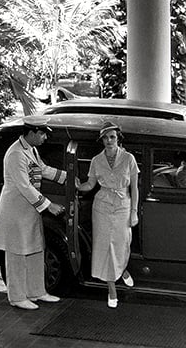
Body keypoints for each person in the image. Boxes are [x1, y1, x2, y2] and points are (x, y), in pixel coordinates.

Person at [0, 119, 67, 310]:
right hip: (15, 211)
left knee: (35, 250)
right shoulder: (16, 154)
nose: (45, 137)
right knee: (16, 253)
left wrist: (68, 177)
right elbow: (25, 186)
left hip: (30, 210)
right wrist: (49, 205)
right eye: (42, 134)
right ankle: (17, 296)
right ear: (32, 132)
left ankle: (37, 291)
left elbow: (42, 169)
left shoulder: (31, 149)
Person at [77, 122, 139, 308]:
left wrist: (134, 211)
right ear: (101, 140)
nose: (109, 141)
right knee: (105, 246)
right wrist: (78, 186)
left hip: (123, 205)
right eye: (105, 138)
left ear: (118, 138)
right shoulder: (96, 160)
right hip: (102, 205)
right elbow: (90, 184)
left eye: (112, 137)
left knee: (122, 243)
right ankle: (112, 289)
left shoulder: (129, 158)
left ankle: (123, 269)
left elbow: (134, 187)